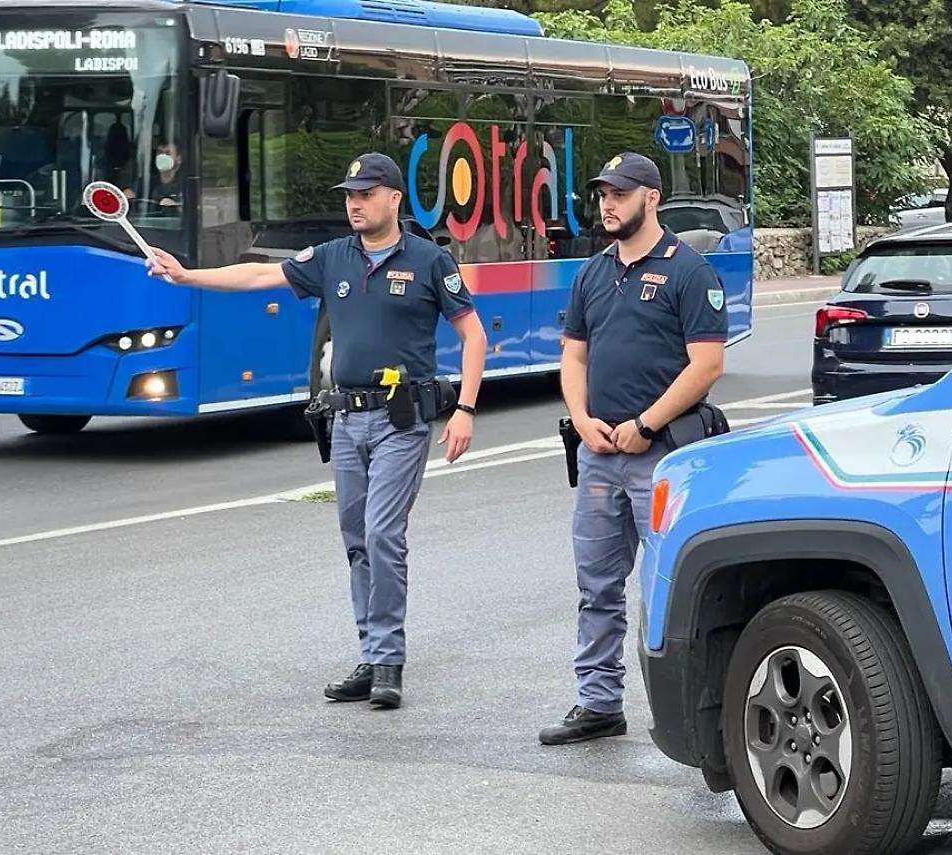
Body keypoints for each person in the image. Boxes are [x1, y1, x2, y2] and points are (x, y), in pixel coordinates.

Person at [146, 152, 487, 710]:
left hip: (401, 421)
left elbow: (473, 335)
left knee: (383, 533)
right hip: (346, 419)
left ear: (394, 199)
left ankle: (388, 662)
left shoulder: (429, 260)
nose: (355, 204)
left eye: (366, 194)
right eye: (350, 195)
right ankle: (370, 655)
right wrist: (186, 275)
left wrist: (466, 409)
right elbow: (258, 274)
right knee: (357, 539)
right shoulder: (331, 257)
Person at [539, 152, 726, 745]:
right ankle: (598, 702)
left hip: (662, 455)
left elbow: (706, 365)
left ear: (651, 198)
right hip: (599, 454)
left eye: (619, 194)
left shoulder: (688, 271)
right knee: (596, 585)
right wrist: (582, 420)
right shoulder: (592, 273)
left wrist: (646, 423)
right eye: (603, 195)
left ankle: (696, 716)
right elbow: (574, 355)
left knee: (675, 586)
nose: (607, 205)